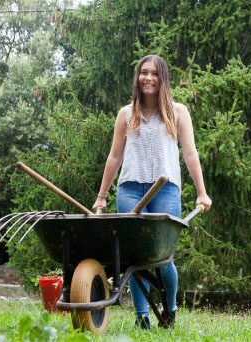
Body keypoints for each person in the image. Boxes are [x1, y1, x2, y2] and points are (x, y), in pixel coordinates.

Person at [92, 54, 212, 329]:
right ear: (137, 78)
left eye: (154, 73)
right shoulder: (126, 114)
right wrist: (102, 195)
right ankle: (141, 317)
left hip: (166, 188)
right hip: (130, 189)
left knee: (162, 255)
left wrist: (202, 192)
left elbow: (191, 153)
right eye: (143, 73)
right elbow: (114, 157)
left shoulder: (178, 112)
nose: (148, 78)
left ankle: (169, 310)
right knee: (135, 257)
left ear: (162, 78)